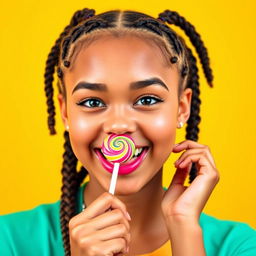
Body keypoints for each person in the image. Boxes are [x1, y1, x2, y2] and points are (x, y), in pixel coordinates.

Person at [0, 7, 256, 256]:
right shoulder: (9, 241)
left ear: (181, 108)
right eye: (92, 102)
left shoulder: (238, 245)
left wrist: (184, 229)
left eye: (146, 100)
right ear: (65, 112)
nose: (119, 125)